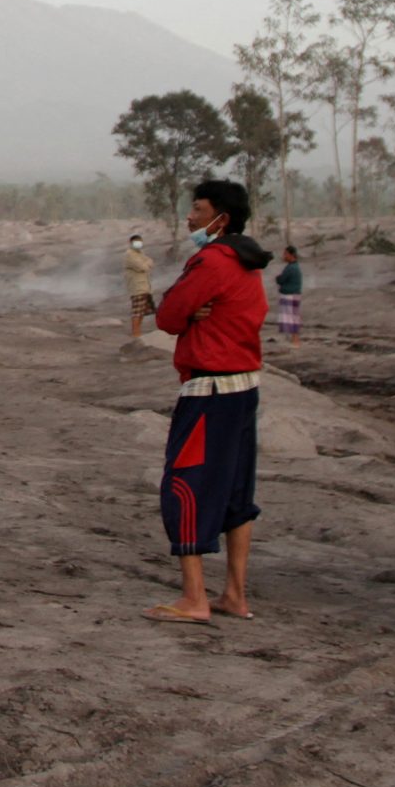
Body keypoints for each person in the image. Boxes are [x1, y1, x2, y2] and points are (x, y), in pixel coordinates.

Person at [147, 178, 273, 624]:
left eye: (198, 209)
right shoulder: (248, 262)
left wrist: (188, 315)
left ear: (220, 217)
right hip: (245, 388)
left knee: (185, 487)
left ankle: (194, 598)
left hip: (209, 391)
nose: (190, 216)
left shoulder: (212, 261)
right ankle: (235, 595)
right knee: (238, 493)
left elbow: (167, 316)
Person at [124, 232, 156, 339]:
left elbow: (150, 261)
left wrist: (147, 262)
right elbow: (143, 267)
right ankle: (135, 334)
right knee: (137, 311)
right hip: (137, 287)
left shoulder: (140, 253)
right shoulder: (130, 254)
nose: (139, 244)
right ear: (131, 243)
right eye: (136, 242)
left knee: (142, 311)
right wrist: (147, 263)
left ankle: (138, 332)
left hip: (145, 286)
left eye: (140, 242)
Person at [274, 247, 304, 342]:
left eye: (286, 254)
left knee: (291, 318)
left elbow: (281, 279)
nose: (284, 256)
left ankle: (295, 340)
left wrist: (278, 279)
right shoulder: (295, 267)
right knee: (294, 317)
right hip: (294, 294)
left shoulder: (291, 268)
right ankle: (294, 339)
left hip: (289, 295)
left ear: (291, 255)